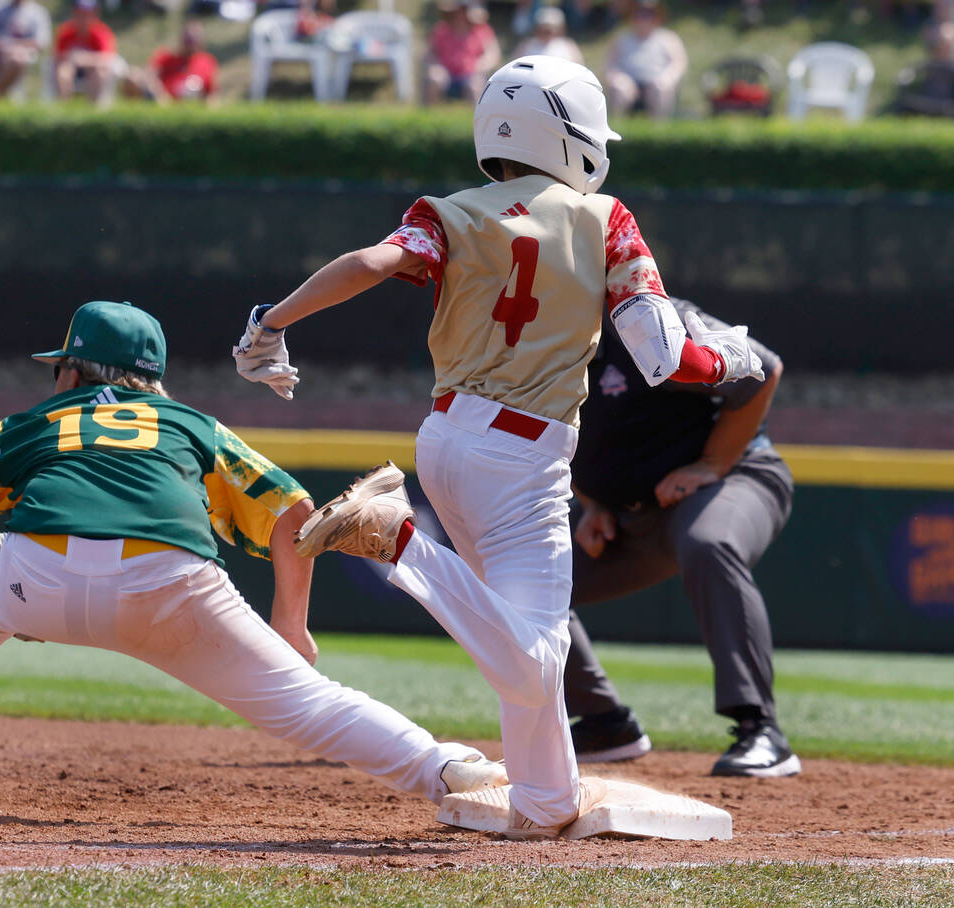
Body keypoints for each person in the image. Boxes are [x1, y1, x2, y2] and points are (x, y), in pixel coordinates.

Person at [231, 57, 764, 838]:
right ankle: (398, 541)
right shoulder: (603, 216)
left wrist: (271, 321)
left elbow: (373, 263)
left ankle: (546, 799)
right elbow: (662, 355)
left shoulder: (449, 212)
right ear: (572, 134)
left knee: (523, 644)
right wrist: (733, 361)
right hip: (525, 454)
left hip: (447, 437)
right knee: (539, 656)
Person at [0, 301, 508, 813]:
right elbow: (296, 515)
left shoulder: (28, 425)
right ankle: (448, 770)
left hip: (37, 573)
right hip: (168, 583)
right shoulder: (192, 424)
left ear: (70, 370)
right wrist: (291, 627)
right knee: (308, 706)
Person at [562, 297, 799, 778]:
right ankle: (605, 723)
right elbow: (557, 438)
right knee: (518, 577)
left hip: (732, 478)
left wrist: (712, 464)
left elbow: (762, 370)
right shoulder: (532, 344)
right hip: (629, 517)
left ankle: (762, 730)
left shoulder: (643, 320)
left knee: (709, 543)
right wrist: (593, 502)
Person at [603, 0, 686, 118]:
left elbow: (678, 64)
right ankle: (617, 129)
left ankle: (660, 131)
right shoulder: (621, 39)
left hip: (657, 82)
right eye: (639, 14)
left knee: (660, 88)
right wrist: (617, 78)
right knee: (619, 89)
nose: (643, 18)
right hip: (629, 83)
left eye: (648, 14)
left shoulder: (668, 39)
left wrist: (666, 78)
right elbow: (609, 66)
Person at [424, 0, 501, 105]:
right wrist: (437, 66)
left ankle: (475, 118)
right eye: (459, 11)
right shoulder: (441, 30)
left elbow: (493, 55)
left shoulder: (483, 31)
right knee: (434, 78)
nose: (461, 15)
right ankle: (429, 116)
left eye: (464, 11)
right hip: (446, 74)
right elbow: (430, 53)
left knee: (475, 84)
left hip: (471, 74)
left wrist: (481, 65)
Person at [122, 20, 218, 102]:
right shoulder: (167, 56)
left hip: (190, 104)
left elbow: (210, 94)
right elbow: (149, 73)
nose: (190, 44)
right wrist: (160, 94)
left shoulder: (206, 61)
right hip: (161, 101)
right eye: (188, 40)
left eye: (193, 40)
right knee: (133, 76)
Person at [52, 0, 118, 104]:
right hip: (71, 69)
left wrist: (84, 59)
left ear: (95, 14)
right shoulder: (65, 32)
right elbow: (57, 56)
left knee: (100, 73)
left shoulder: (101, 32)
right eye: (80, 13)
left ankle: (92, 108)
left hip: (92, 70)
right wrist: (70, 59)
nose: (84, 18)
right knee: (63, 72)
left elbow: (107, 58)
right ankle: (64, 106)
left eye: (88, 14)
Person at [894, 21, 954, 117]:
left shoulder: (951, 66)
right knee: (903, 105)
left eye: (945, 45)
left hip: (947, 106)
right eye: (938, 45)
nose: (940, 49)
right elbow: (912, 71)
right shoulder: (929, 64)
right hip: (926, 102)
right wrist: (905, 77)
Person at [514, 7, 584, 65]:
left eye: (551, 29)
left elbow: (579, 67)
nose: (546, 32)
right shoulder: (526, 45)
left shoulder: (569, 45)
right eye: (543, 29)